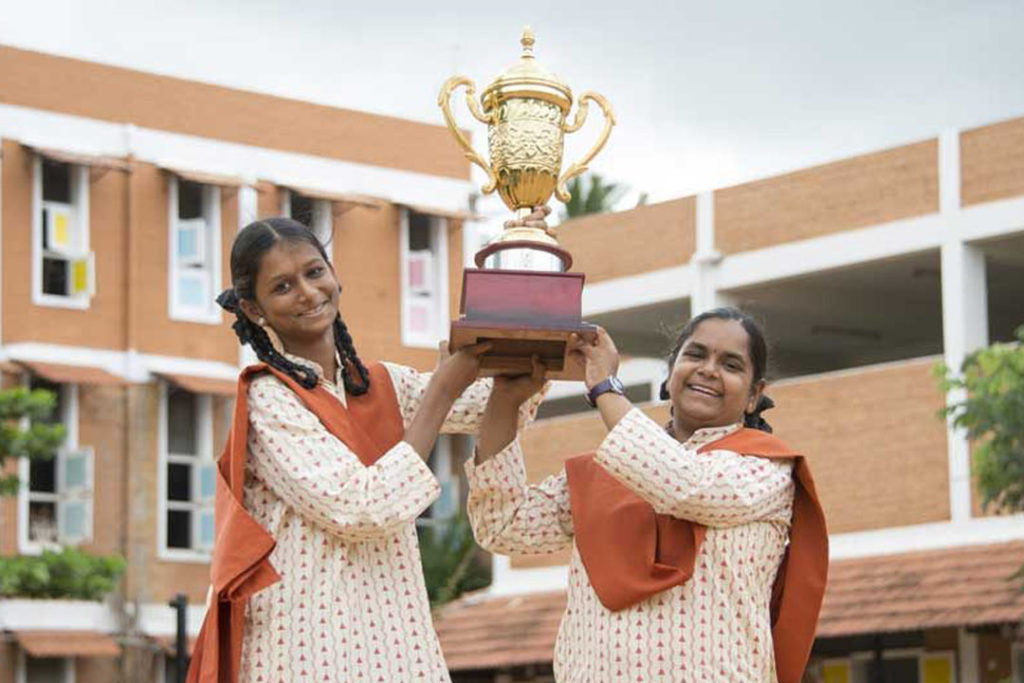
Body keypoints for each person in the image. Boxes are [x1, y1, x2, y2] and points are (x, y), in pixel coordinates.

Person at [187, 217, 538, 683]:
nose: (308, 293)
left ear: (335, 275)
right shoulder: (268, 399)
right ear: (255, 310)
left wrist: (530, 268)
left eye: (315, 273)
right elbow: (364, 508)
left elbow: (490, 406)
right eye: (283, 286)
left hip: (397, 640)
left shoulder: (377, 384)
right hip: (308, 646)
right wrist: (440, 391)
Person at [467, 307, 828, 682]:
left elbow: (681, 485)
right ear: (670, 372)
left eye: (731, 365)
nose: (708, 369)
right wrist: (505, 400)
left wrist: (604, 388)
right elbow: (503, 524)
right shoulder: (606, 469)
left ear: (755, 396)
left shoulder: (765, 470)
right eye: (695, 354)